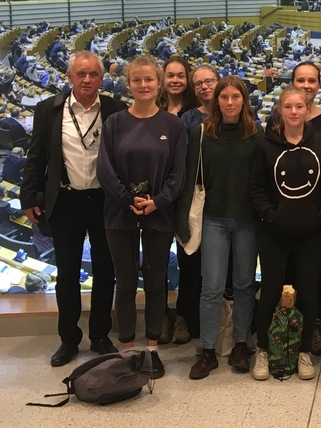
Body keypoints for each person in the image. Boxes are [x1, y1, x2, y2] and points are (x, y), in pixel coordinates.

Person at [20, 51, 126, 367]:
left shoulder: (115, 109)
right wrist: (28, 197)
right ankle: (68, 340)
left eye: (93, 74)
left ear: (102, 78)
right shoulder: (48, 110)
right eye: (81, 74)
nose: (87, 80)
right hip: (65, 202)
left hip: (104, 202)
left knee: (106, 272)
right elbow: (36, 156)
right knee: (67, 274)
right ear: (69, 77)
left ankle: (100, 336)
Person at [97, 55, 187, 379]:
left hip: (159, 215)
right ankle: (127, 349)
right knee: (124, 283)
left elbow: (179, 173)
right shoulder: (114, 123)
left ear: (158, 83)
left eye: (149, 79)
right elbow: (104, 169)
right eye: (137, 80)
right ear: (129, 85)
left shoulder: (172, 125)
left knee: (155, 284)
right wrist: (126, 198)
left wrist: (158, 202)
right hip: (119, 214)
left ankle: (151, 348)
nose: (143, 85)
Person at [173, 76, 264, 379]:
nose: (229, 103)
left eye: (235, 97)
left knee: (244, 286)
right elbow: (190, 180)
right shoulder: (203, 133)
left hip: (247, 221)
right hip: (212, 219)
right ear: (216, 101)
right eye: (224, 97)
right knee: (211, 288)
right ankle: (208, 350)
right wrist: (182, 221)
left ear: (244, 101)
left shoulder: (256, 135)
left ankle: (240, 344)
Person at [250, 85, 321, 382]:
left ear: (307, 109)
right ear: (280, 110)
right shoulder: (265, 145)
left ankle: (303, 352)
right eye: (288, 107)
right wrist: (270, 216)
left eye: (299, 107)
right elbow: (257, 188)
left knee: (307, 293)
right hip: (274, 233)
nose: (293, 112)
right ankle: (263, 350)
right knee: (271, 292)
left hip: (311, 233)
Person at [288, 61, 321, 356]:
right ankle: (285, 327)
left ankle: (315, 328)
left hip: (317, 211)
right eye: (301, 80)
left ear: (319, 85)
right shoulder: (279, 118)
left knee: (313, 274)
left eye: (312, 81)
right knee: (286, 272)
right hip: (284, 213)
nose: (307, 85)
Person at [173, 64, 219, 344]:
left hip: (225, 202)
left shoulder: (236, 114)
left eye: (209, 81)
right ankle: (188, 321)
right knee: (190, 264)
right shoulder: (187, 120)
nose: (204, 87)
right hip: (193, 201)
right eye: (198, 83)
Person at [158, 57, 200, 345]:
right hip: (157, 194)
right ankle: (160, 316)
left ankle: (185, 317)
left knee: (188, 260)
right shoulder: (152, 108)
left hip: (186, 194)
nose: (175, 81)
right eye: (170, 75)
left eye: (180, 76)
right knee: (157, 260)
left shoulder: (195, 112)